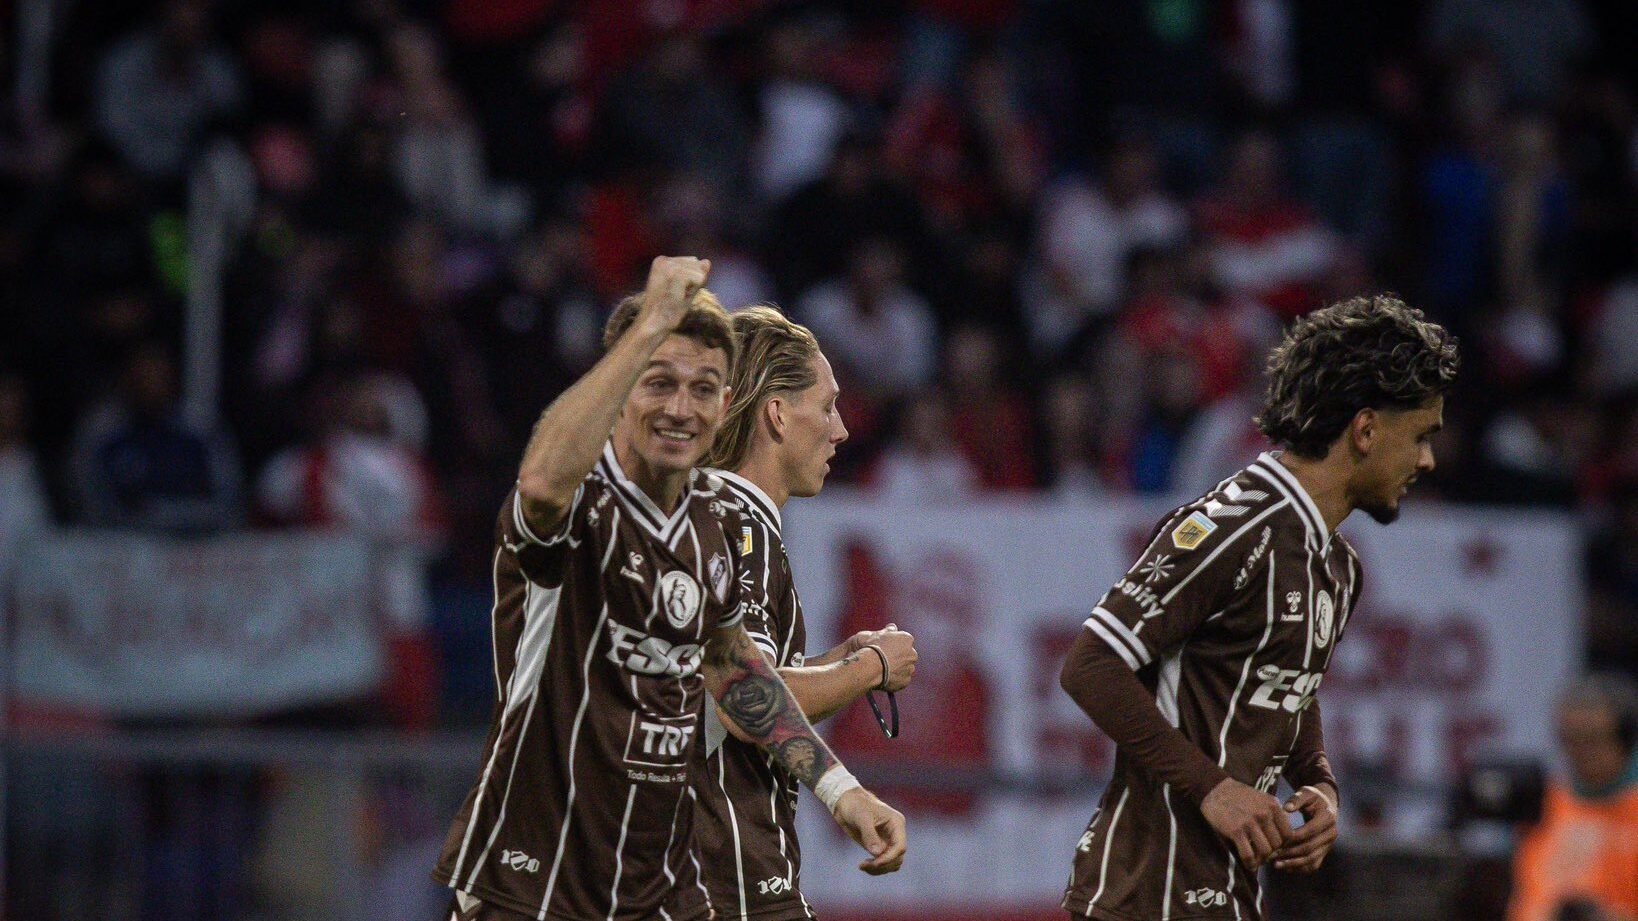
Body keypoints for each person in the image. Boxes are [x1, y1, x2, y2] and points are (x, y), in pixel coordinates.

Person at [433, 257, 906, 921]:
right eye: (660, 382)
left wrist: (842, 791)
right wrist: (651, 322)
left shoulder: (709, 540)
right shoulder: (583, 512)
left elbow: (743, 685)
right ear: (622, 389)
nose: (683, 407)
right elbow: (540, 486)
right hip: (535, 889)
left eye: (705, 388)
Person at [1059, 294, 1459, 920]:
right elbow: (1089, 666)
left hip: (1227, 895)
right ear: (1366, 428)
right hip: (1146, 894)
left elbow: (1290, 689)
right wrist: (1212, 789)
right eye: (1421, 436)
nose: (1427, 460)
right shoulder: (1234, 528)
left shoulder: (1337, 564)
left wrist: (1320, 783)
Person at [693, 305, 919, 920]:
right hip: (722, 874)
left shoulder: (700, 518)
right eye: (826, 406)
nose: (841, 429)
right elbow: (740, 701)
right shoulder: (737, 526)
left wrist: (833, 662)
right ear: (776, 414)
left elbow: (725, 687)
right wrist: (870, 666)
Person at [1508, 674, 1638, 921]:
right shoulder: (1542, 802)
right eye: (1569, 739)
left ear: (1626, 739)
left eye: (1592, 739)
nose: (1579, 753)